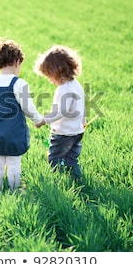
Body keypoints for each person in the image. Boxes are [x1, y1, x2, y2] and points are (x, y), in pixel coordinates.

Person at [0, 38, 44, 193]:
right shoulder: (19, 84)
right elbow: (28, 108)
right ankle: (14, 191)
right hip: (14, 133)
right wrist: (38, 120)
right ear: (17, 62)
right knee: (14, 164)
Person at [34, 45, 86, 182]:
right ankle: (77, 179)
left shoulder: (64, 89)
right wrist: (83, 120)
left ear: (58, 72)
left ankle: (56, 181)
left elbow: (61, 111)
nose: (50, 80)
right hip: (77, 132)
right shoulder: (77, 85)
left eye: (50, 76)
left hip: (63, 134)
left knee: (54, 158)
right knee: (71, 158)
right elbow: (82, 105)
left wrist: (44, 120)